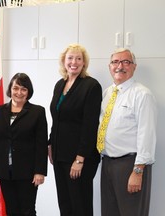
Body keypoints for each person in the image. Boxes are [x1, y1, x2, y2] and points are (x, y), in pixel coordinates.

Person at [98, 48, 157, 216]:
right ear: (109, 66)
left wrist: (138, 171)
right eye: (115, 62)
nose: (120, 66)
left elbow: (147, 134)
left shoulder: (142, 94)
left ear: (134, 67)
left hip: (130, 165)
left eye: (126, 62)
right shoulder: (108, 93)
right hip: (108, 163)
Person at [48, 43, 102, 216]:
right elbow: (57, 118)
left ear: (84, 63)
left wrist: (80, 159)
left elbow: (90, 125)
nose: (74, 62)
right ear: (64, 61)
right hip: (60, 155)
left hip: (80, 158)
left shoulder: (91, 86)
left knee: (80, 205)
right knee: (65, 204)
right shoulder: (60, 84)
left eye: (79, 58)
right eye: (70, 58)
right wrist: (50, 144)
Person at [0, 73, 48, 216]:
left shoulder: (37, 112)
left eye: (23, 89)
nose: (19, 92)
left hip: (28, 173)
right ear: (10, 89)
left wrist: (40, 171)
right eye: (16, 88)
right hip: (5, 172)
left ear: (28, 92)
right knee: (11, 210)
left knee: (27, 210)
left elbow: (41, 143)